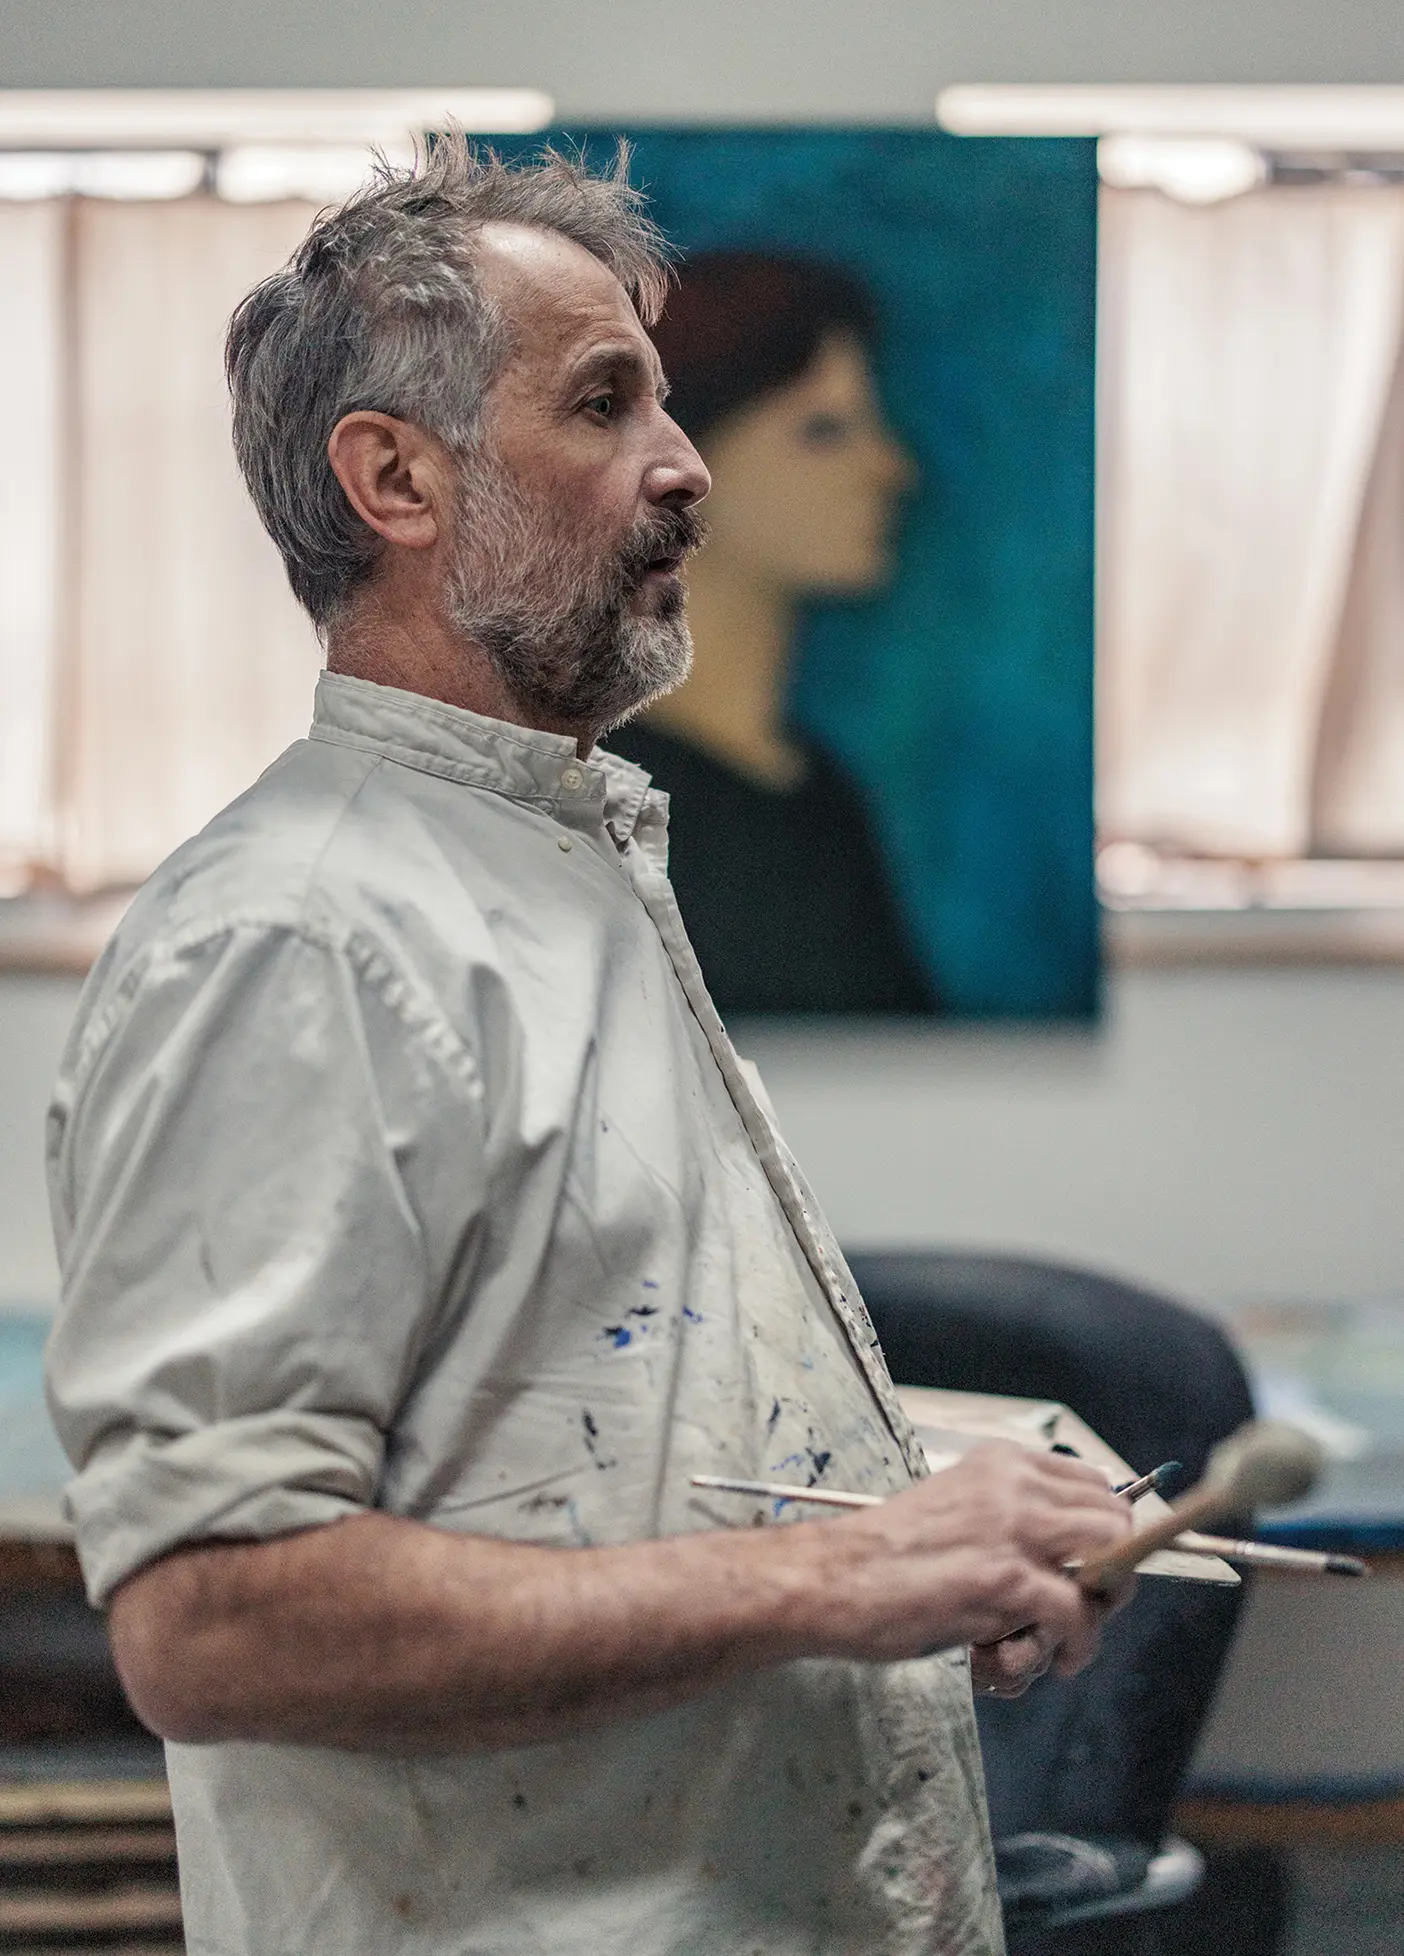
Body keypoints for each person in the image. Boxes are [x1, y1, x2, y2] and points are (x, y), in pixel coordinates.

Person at [43, 142, 1133, 1956]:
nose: (684, 465)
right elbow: (212, 1613)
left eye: (670, 398)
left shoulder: (552, 862)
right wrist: (843, 1568)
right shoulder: (298, 939)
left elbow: (566, 1419)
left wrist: (910, 1490)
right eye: (605, 401)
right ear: (395, 476)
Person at [618, 251, 938, 1015]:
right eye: (825, 430)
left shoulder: (822, 803)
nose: (892, 468)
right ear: (680, 469)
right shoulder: (612, 807)